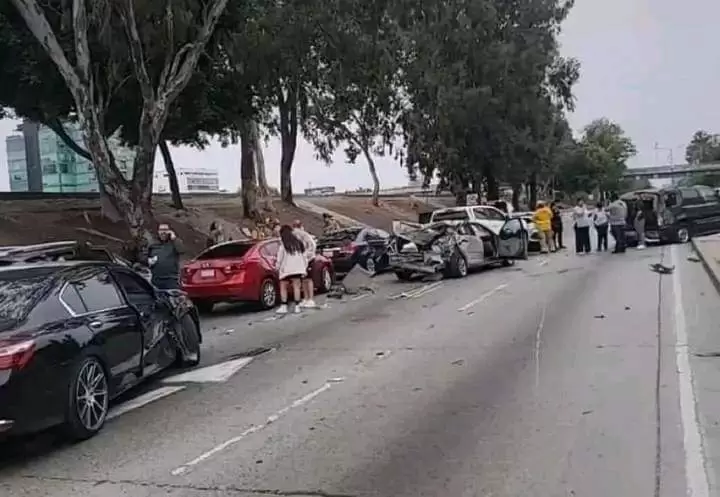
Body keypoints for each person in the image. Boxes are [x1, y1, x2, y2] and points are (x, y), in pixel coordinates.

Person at [275, 225, 307, 314]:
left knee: (283, 287)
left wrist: (277, 267)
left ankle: (284, 306)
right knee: (296, 287)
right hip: (298, 268)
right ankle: (297, 306)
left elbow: (279, 258)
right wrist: (304, 268)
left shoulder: (283, 245)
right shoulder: (299, 244)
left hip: (286, 269)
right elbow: (304, 257)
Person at [292, 219, 319, 308]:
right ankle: (306, 298)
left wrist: (307, 255)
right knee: (303, 279)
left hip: (309, 259)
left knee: (309, 279)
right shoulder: (295, 236)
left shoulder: (305, 235)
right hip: (301, 260)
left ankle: (311, 299)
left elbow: (312, 245)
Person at [148, 223, 184, 289]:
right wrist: (148, 261)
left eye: (165, 230)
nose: (163, 232)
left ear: (169, 231)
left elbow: (181, 250)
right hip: (156, 279)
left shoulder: (174, 242)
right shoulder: (153, 243)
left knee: (172, 298)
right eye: (161, 230)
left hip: (171, 279)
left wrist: (174, 238)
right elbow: (144, 256)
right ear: (158, 232)